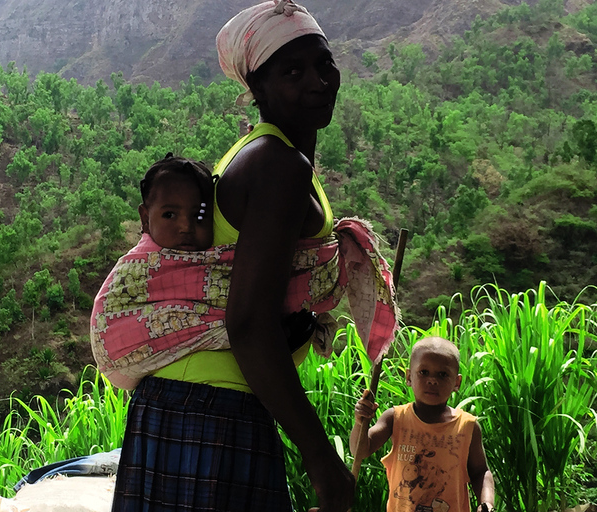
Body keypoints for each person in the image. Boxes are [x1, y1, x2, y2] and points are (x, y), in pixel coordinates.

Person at [105, 1, 386, 510]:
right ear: (256, 88)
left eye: (323, 63)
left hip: (182, 402)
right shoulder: (279, 164)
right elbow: (249, 324)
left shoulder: (255, 150)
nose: (319, 81)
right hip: (216, 406)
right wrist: (321, 458)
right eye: (292, 71)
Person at [350, 336, 496, 512]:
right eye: (423, 372)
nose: (432, 380)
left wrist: (486, 503)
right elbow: (361, 450)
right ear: (409, 377)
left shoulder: (467, 426)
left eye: (442, 374)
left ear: (456, 382)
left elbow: (480, 472)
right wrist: (360, 423)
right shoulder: (395, 418)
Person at [137, 153, 216, 251]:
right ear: (145, 219)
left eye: (199, 215)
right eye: (169, 215)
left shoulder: (230, 256)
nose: (186, 227)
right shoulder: (132, 264)